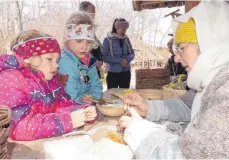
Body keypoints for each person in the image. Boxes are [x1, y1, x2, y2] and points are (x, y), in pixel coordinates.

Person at [118, 1, 229, 159]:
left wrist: (146, 136)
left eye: (181, 48)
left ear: (207, 45)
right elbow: (187, 108)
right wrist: (148, 107)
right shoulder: (211, 81)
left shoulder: (226, 89)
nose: (176, 58)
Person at [0, 30, 97, 141]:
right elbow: (18, 127)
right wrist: (68, 121)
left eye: (57, 60)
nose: (56, 65)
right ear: (28, 58)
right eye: (49, 59)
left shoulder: (50, 81)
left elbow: (61, 105)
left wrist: (82, 110)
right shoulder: (10, 79)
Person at [58, 12, 103, 105]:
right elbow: (68, 97)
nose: (85, 47)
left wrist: (93, 98)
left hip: (86, 109)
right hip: (72, 112)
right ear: (67, 41)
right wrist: (83, 103)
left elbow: (96, 86)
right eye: (79, 41)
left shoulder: (90, 61)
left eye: (89, 42)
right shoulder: (65, 63)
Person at [103, 18, 135, 89]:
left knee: (125, 95)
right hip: (113, 74)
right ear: (117, 27)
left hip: (126, 73)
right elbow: (104, 57)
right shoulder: (107, 40)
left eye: (126, 29)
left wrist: (127, 59)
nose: (125, 31)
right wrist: (120, 60)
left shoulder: (126, 39)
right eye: (123, 29)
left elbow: (132, 53)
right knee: (111, 96)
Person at [79, 1, 103, 79]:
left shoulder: (89, 29)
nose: (93, 17)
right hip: (86, 72)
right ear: (83, 13)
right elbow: (80, 51)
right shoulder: (77, 30)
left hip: (95, 70)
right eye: (92, 14)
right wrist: (94, 62)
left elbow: (97, 46)